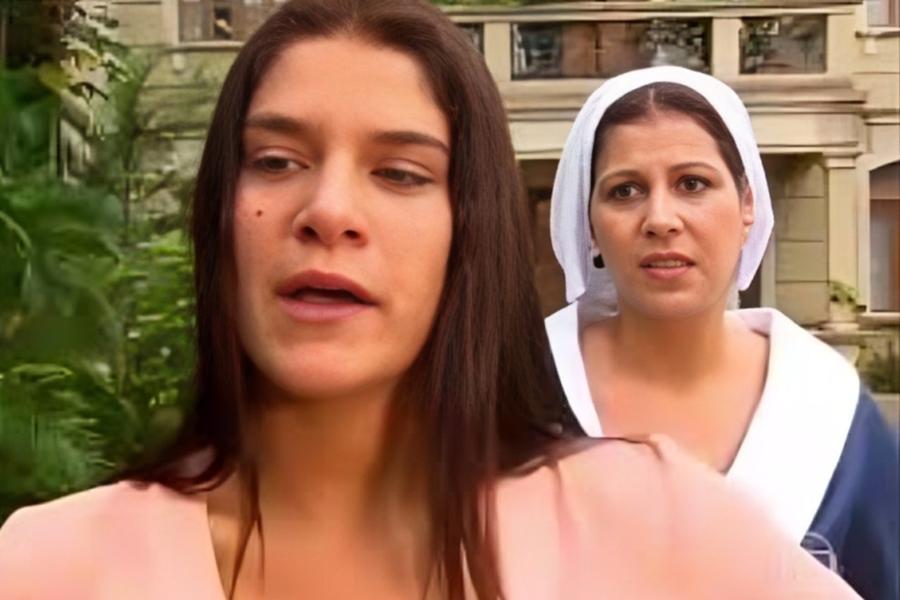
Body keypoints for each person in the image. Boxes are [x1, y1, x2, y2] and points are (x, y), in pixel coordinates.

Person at [0, 3, 864, 599]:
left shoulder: (652, 522)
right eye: (276, 161)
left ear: (470, 234)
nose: (328, 210)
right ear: (220, 214)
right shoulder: (47, 566)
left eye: (400, 173)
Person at [546, 65, 899, 600]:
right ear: (590, 226)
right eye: (625, 190)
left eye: (692, 184)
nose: (660, 219)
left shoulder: (829, 408)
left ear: (747, 204)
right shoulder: (518, 395)